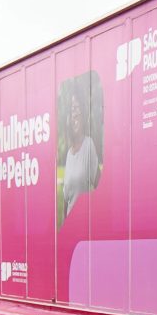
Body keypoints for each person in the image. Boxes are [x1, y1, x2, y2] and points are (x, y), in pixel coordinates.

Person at [60, 86, 101, 218]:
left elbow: (100, 189)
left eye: (78, 108)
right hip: (70, 231)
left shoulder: (88, 145)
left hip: (83, 226)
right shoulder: (68, 155)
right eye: (73, 110)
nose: (75, 114)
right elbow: (66, 200)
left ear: (83, 113)